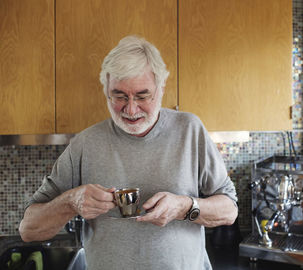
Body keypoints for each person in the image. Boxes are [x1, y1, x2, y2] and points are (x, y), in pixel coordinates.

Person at [19, 35, 238, 270]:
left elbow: (229, 210)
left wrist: (184, 207)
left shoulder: (190, 131)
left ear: (161, 88)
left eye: (142, 96)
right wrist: (72, 202)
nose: (131, 109)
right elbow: (29, 229)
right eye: (119, 96)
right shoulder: (85, 144)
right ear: (106, 91)